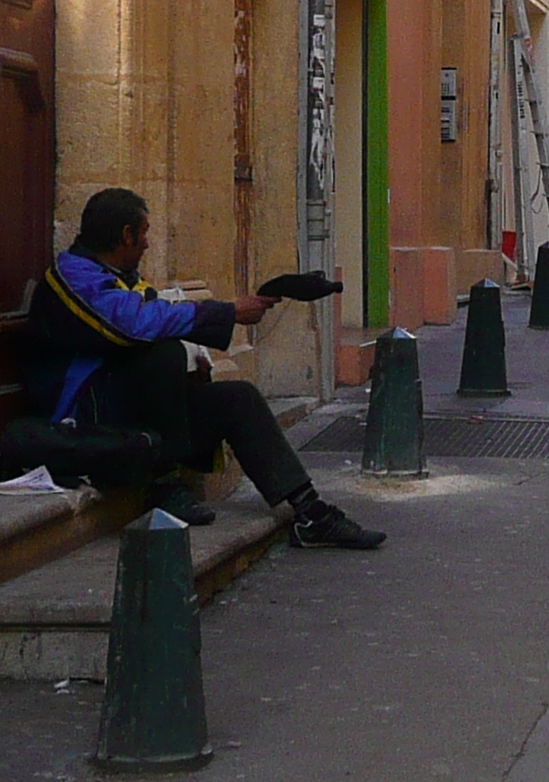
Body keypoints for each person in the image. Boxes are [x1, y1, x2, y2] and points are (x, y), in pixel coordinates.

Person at [24, 187, 385, 547]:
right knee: (160, 353)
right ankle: (162, 484)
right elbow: (130, 323)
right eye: (144, 233)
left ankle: (310, 513)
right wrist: (226, 313)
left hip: (130, 418)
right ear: (126, 235)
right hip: (82, 422)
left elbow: (159, 309)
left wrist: (201, 345)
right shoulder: (72, 277)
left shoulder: (122, 276)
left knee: (236, 398)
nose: (148, 244)